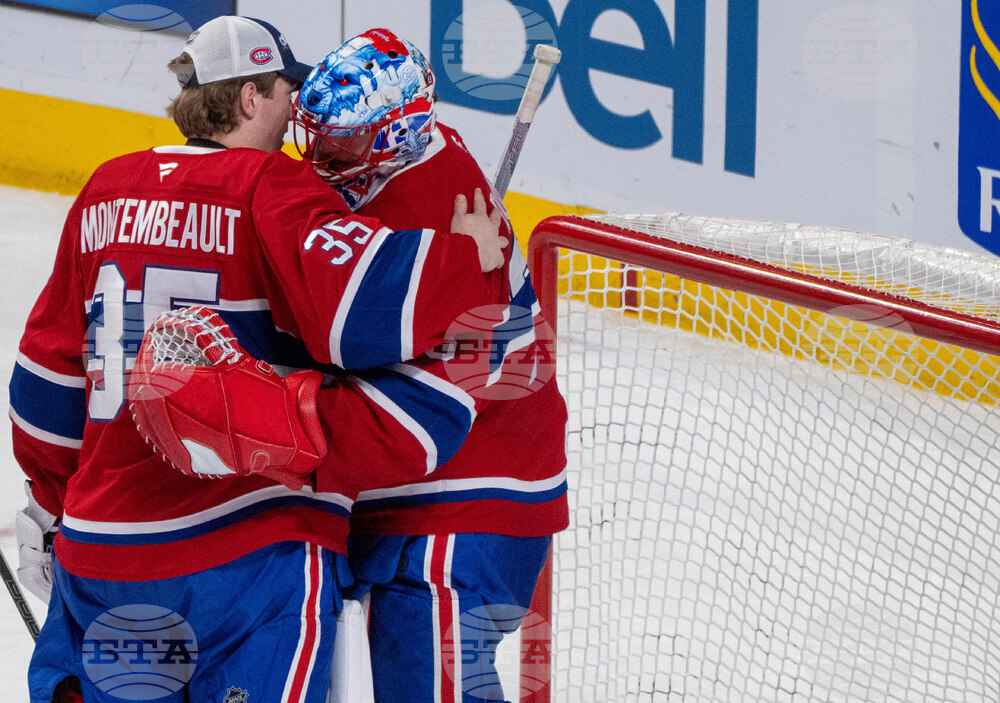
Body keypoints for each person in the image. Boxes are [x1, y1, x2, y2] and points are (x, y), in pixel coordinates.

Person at [8, 15, 506, 703]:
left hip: (104, 555)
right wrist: (468, 262)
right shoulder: (270, 188)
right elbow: (359, 312)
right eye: (282, 90)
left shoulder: (105, 189)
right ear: (249, 98)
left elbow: (45, 382)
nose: (293, 111)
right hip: (244, 561)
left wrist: (53, 503)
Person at [139, 28, 569, 702]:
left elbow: (346, 335)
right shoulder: (384, 163)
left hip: (474, 491)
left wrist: (268, 419)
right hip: (408, 486)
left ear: (399, 132)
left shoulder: (432, 204)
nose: (324, 161)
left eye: (346, 147)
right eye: (315, 140)